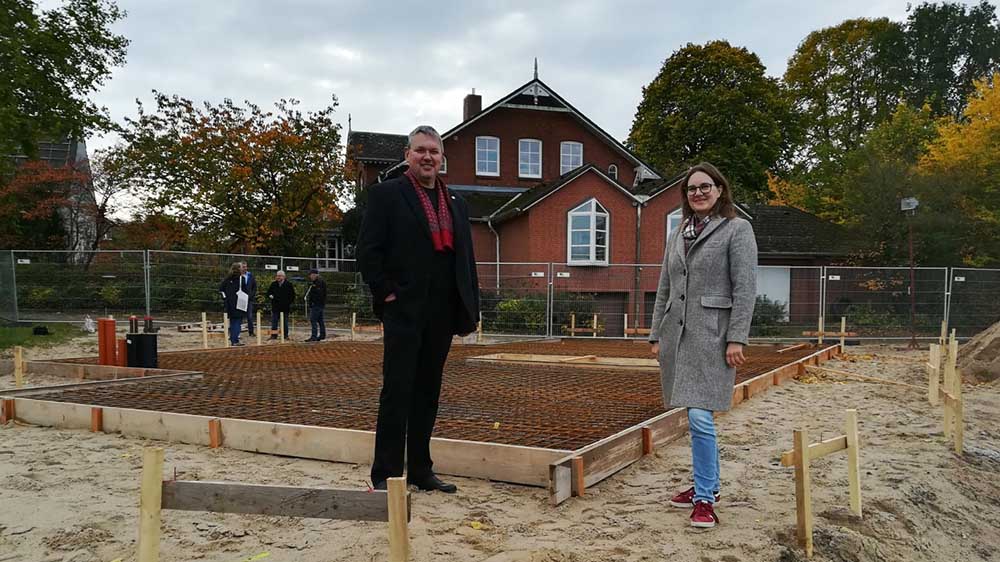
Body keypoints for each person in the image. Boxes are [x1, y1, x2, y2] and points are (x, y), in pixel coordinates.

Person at [358, 125, 480, 493]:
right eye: (421, 150)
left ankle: (421, 470)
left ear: (442, 159)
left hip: (441, 311)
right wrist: (387, 294)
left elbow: (467, 260)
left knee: (428, 391)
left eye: (434, 152)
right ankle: (386, 474)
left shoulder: (456, 203)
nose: (428, 157)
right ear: (407, 155)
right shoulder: (386, 195)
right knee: (397, 390)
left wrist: (469, 305)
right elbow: (368, 251)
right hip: (405, 310)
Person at [648, 162, 757, 529]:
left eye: (705, 186)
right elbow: (665, 285)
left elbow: (744, 289)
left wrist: (737, 337)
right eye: (692, 188)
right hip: (678, 336)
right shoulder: (678, 233)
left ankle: (706, 498)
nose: (698, 193)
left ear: (720, 190)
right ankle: (705, 485)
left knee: (700, 416)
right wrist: (655, 335)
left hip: (713, 336)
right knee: (692, 415)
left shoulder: (737, 230)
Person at [219, 262, 247, 346]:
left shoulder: (227, 279)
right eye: (242, 267)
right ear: (239, 269)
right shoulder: (241, 279)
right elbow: (246, 291)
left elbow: (221, 289)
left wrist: (225, 298)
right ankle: (235, 340)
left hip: (229, 303)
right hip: (239, 302)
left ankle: (233, 339)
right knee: (237, 322)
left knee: (232, 321)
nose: (243, 269)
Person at [265, 270, 295, 340]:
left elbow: (292, 296)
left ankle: (285, 335)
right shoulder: (273, 284)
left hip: (285, 307)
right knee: (274, 322)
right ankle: (273, 335)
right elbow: (268, 293)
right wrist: (270, 296)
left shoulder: (289, 285)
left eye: (279, 276)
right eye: (277, 276)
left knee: (285, 322)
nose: (278, 277)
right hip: (275, 307)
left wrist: (288, 303)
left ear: (284, 277)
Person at [304, 268, 327, 342]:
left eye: (311, 275)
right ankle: (322, 335)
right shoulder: (318, 282)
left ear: (314, 275)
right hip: (320, 304)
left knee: (313, 320)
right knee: (320, 320)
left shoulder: (318, 283)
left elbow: (318, 294)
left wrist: (313, 302)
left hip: (317, 305)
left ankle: (314, 336)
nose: (310, 276)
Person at [240, 262, 257, 336]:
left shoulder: (250, 275)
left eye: (246, 267)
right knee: (239, 316)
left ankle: (251, 332)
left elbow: (254, 286)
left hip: (249, 299)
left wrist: (252, 295)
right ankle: (237, 332)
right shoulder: (237, 276)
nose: (245, 268)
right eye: (243, 267)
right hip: (240, 299)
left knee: (249, 316)